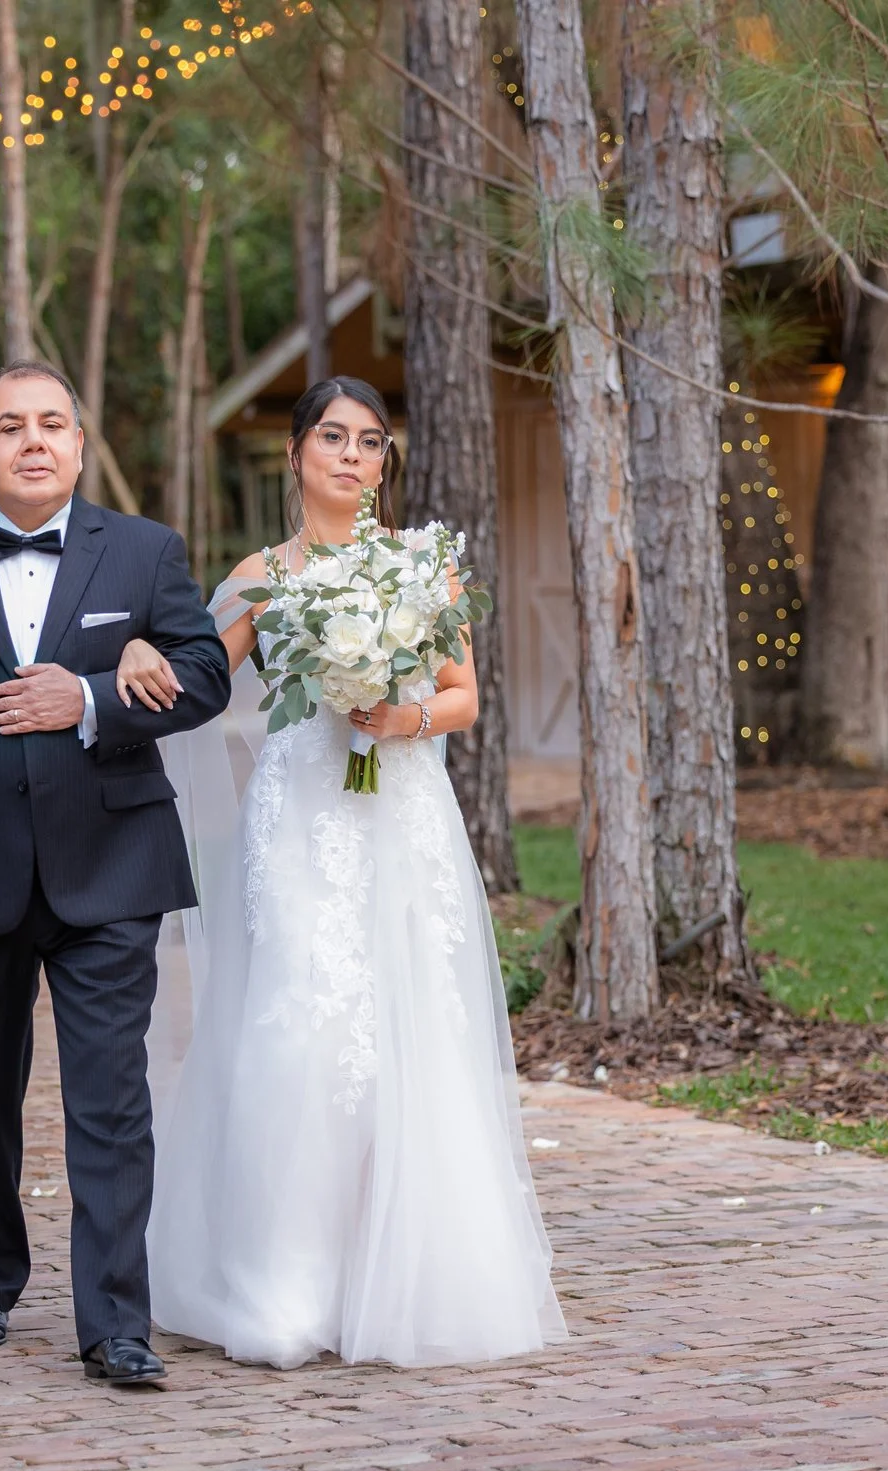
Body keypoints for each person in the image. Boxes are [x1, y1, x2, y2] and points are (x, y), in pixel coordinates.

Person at [115, 377, 566, 1369]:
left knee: (410, 1032)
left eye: (370, 441)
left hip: (396, 815)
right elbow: (199, 683)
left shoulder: (421, 567)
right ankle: (283, 1281)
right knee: (297, 1026)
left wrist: (396, 715)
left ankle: (401, 1275)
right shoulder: (259, 576)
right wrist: (142, 651)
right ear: (296, 453)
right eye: (333, 436)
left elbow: (462, 696)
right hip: (297, 821)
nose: (352, 455)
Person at [0, 361, 232, 1387]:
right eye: (9, 426)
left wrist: (97, 696)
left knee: (111, 1098)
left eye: (52, 423)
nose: (33, 440)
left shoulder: (145, 551)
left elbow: (205, 673)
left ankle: (116, 1321)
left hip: (110, 859)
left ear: (77, 442)